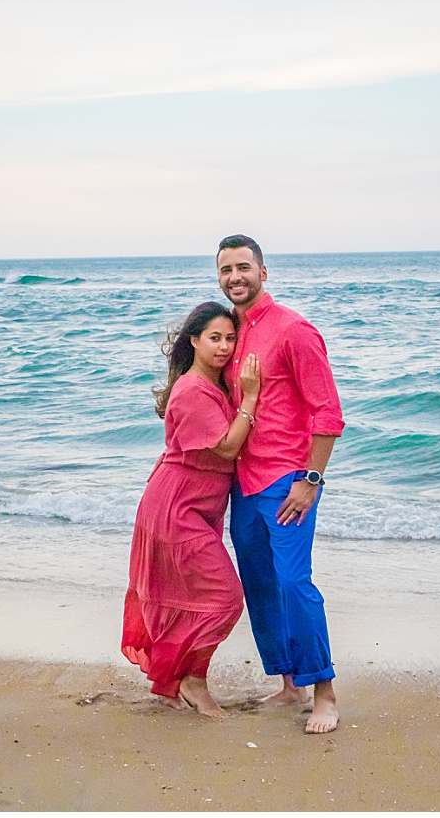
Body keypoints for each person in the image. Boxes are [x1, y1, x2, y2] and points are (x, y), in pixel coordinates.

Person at [216, 233, 345, 734]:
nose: (235, 277)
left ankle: (324, 693)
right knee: (262, 587)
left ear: (263, 272)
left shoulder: (294, 330)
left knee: (294, 584)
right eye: (226, 269)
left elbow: (328, 413)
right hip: (242, 484)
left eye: (244, 267)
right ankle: (289, 682)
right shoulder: (230, 333)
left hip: (288, 482)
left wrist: (311, 479)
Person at [121, 301, 261, 719]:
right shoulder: (192, 389)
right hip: (175, 506)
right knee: (225, 596)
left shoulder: (214, 385)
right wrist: (251, 397)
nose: (223, 347)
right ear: (194, 341)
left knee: (194, 596)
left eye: (230, 338)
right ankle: (193, 681)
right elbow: (227, 446)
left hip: (194, 505)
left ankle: (181, 678)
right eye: (214, 338)